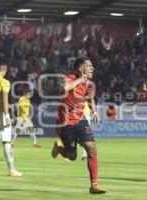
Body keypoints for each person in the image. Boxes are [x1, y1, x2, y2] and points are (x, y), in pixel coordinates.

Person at [51, 57, 106, 194]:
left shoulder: (87, 83)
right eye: (89, 66)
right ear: (81, 69)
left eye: (92, 66)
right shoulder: (70, 78)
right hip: (65, 123)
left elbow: (90, 98)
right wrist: (79, 80)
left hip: (80, 120)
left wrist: (94, 112)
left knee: (91, 148)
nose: (92, 68)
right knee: (72, 156)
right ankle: (59, 149)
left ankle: (94, 185)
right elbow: (65, 87)